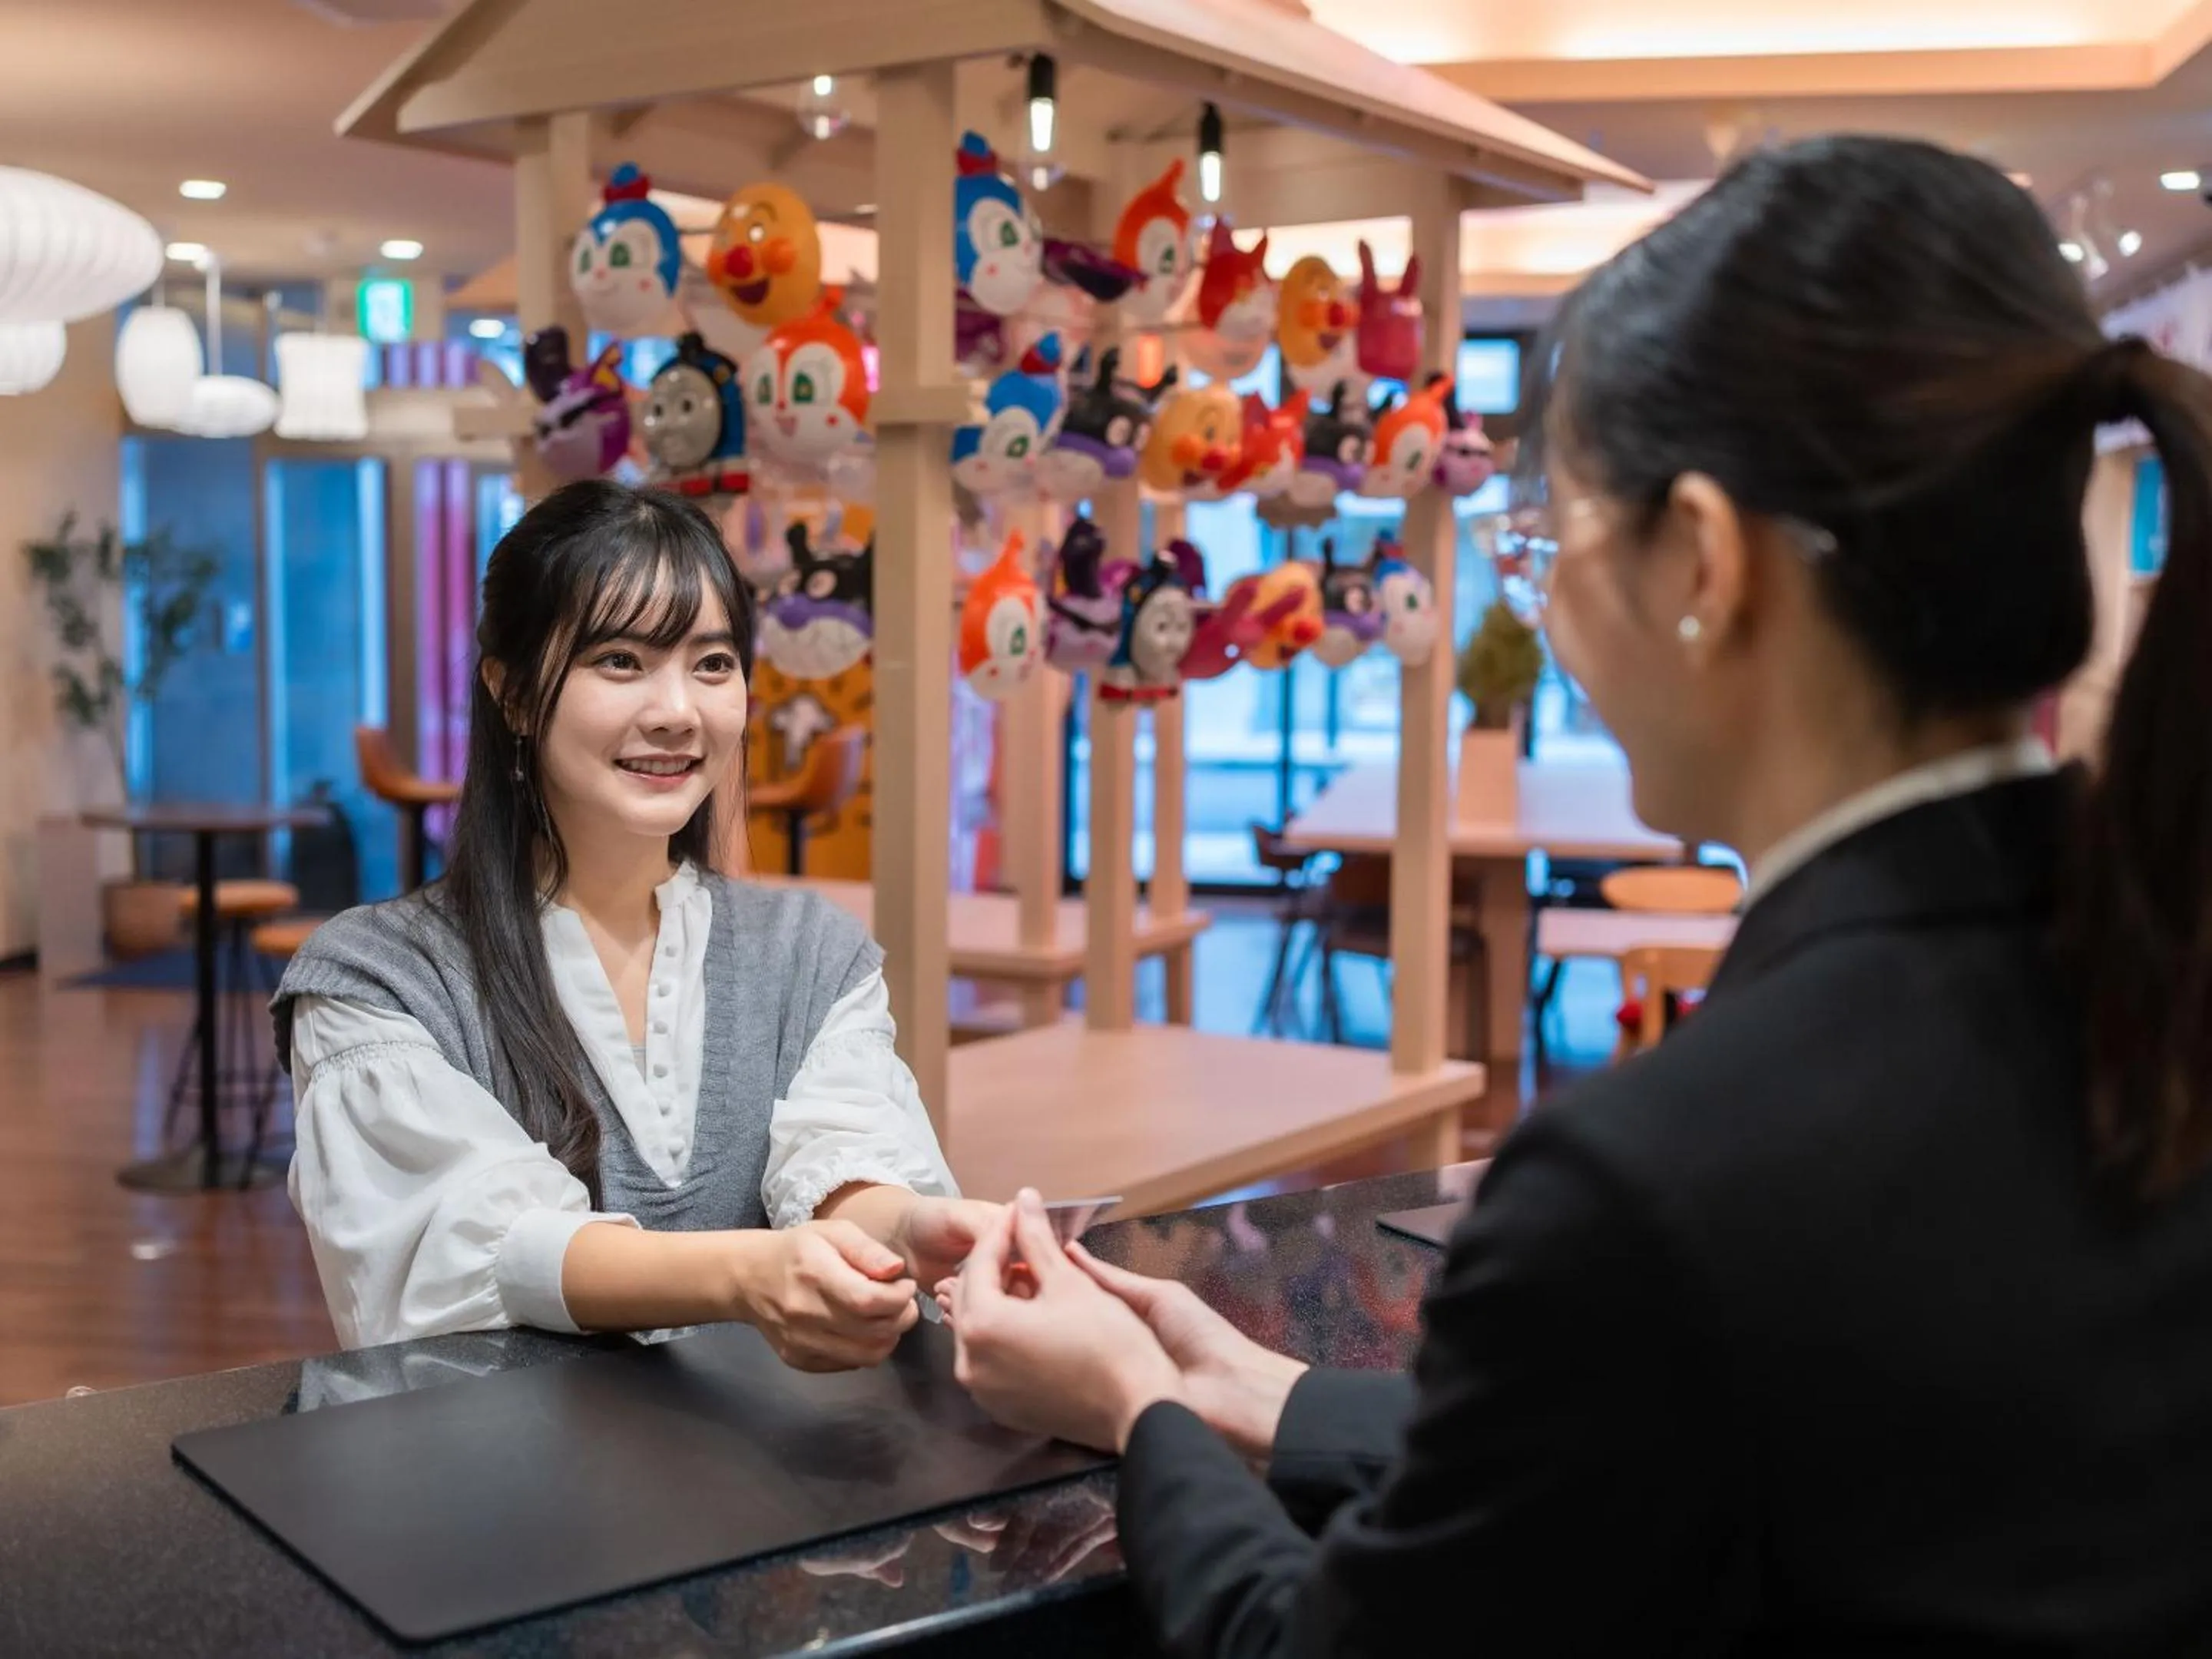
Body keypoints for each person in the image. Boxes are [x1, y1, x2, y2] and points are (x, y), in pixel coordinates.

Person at [941, 135, 2212, 1654]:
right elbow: (1727, 1441)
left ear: (1707, 563)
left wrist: (1135, 1409)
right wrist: (1272, 1397)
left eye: (1552, 541)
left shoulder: (1657, 1180)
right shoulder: (2151, 983)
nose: (1542, 611)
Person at [273, 480, 996, 1367]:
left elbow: (844, 1161)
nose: (677, 711)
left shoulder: (811, 955)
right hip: (506, 1491)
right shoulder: (380, 982)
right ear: (511, 692)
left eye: (713, 663)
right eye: (620, 660)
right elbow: (479, 1248)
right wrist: (743, 1272)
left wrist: (917, 1228)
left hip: (781, 1479)